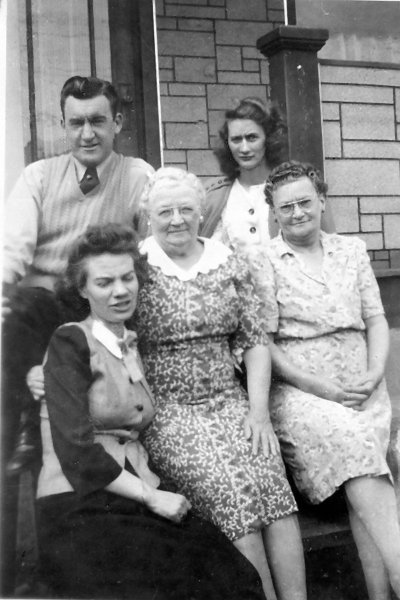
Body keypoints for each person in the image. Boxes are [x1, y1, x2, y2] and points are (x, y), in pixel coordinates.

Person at [37, 223, 265, 600]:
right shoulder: (70, 342)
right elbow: (76, 454)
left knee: (236, 575)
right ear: (82, 289)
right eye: (104, 282)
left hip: (135, 489)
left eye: (128, 278)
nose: (120, 290)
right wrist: (151, 496)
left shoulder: (128, 343)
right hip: (79, 504)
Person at [135, 167, 307, 600]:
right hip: (168, 411)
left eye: (187, 209)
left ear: (201, 212)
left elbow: (253, 340)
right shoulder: (137, 268)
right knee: (231, 492)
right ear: (147, 216)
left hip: (230, 401)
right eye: (165, 211)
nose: (177, 219)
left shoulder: (228, 261)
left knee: (272, 487)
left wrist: (258, 411)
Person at [262, 160, 400, 600]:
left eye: (305, 202)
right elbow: (262, 343)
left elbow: (376, 319)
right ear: (274, 212)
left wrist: (375, 373)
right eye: (287, 207)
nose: (298, 212)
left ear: (322, 200)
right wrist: (318, 386)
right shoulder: (261, 260)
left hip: (363, 385)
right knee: (357, 446)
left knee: (364, 461)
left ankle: (384, 591)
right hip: (302, 392)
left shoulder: (352, 250)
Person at [2, 75, 153, 475]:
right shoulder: (39, 176)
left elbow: (151, 249)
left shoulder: (137, 176)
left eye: (98, 121)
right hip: (40, 304)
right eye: (76, 123)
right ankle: (19, 435)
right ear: (63, 126)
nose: (87, 134)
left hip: (95, 304)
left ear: (117, 122)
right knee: (17, 305)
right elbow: (12, 247)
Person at [200, 98, 335, 279]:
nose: (244, 148)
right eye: (236, 140)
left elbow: (331, 249)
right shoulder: (213, 194)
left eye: (252, 138)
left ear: (269, 139)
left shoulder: (300, 186)